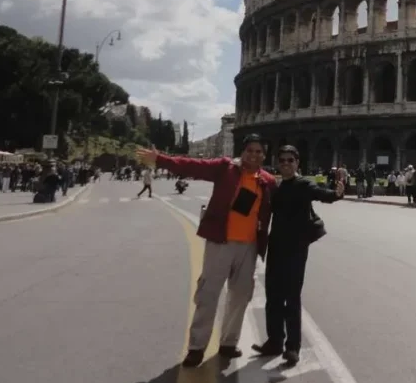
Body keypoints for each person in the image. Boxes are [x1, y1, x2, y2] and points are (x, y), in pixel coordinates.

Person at [137, 134, 276, 368]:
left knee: (241, 295)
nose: (254, 155)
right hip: (220, 242)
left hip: (249, 246)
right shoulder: (225, 169)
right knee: (208, 294)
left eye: (259, 151)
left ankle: (228, 343)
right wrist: (160, 159)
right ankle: (197, 347)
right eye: (250, 150)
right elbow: (193, 166)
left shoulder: (268, 181)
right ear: (243, 152)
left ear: (264, 155)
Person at [253, 144, 344, 366]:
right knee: (273, 297)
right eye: (282, 160)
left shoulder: (304, 184)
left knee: (291, 297)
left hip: (296, 248)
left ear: (297, 163)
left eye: (290, 160)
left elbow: (321, 194)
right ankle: (274, 341)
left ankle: (292, 347)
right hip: (276, 246)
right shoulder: (275, 187)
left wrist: (336, 193)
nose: (285, 164)